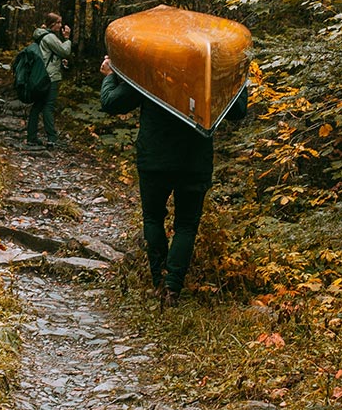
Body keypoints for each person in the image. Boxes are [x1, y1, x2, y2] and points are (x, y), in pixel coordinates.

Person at [100, 55, 248, 305]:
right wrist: (239, 80)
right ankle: (172, 287)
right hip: (194, 160)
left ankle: (159, 281)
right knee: (186, 225)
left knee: (153, 218)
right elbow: (238, 111)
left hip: (154, 159)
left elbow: (112, 102)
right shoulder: (207, 72)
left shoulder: (152, 68)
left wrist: (110, 76)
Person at [27, 12, 71, 149]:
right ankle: (52, 139)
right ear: (52, 23)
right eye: (58, 22)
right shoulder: (50, 36)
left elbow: (49, 54)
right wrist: (67, 38)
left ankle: (32, 138)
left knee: (37, 106)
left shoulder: (40, 35)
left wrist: (59, 61)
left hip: (41, 76)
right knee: (48, 106)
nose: (60, 25)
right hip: (50, 77)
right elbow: (65, 51)